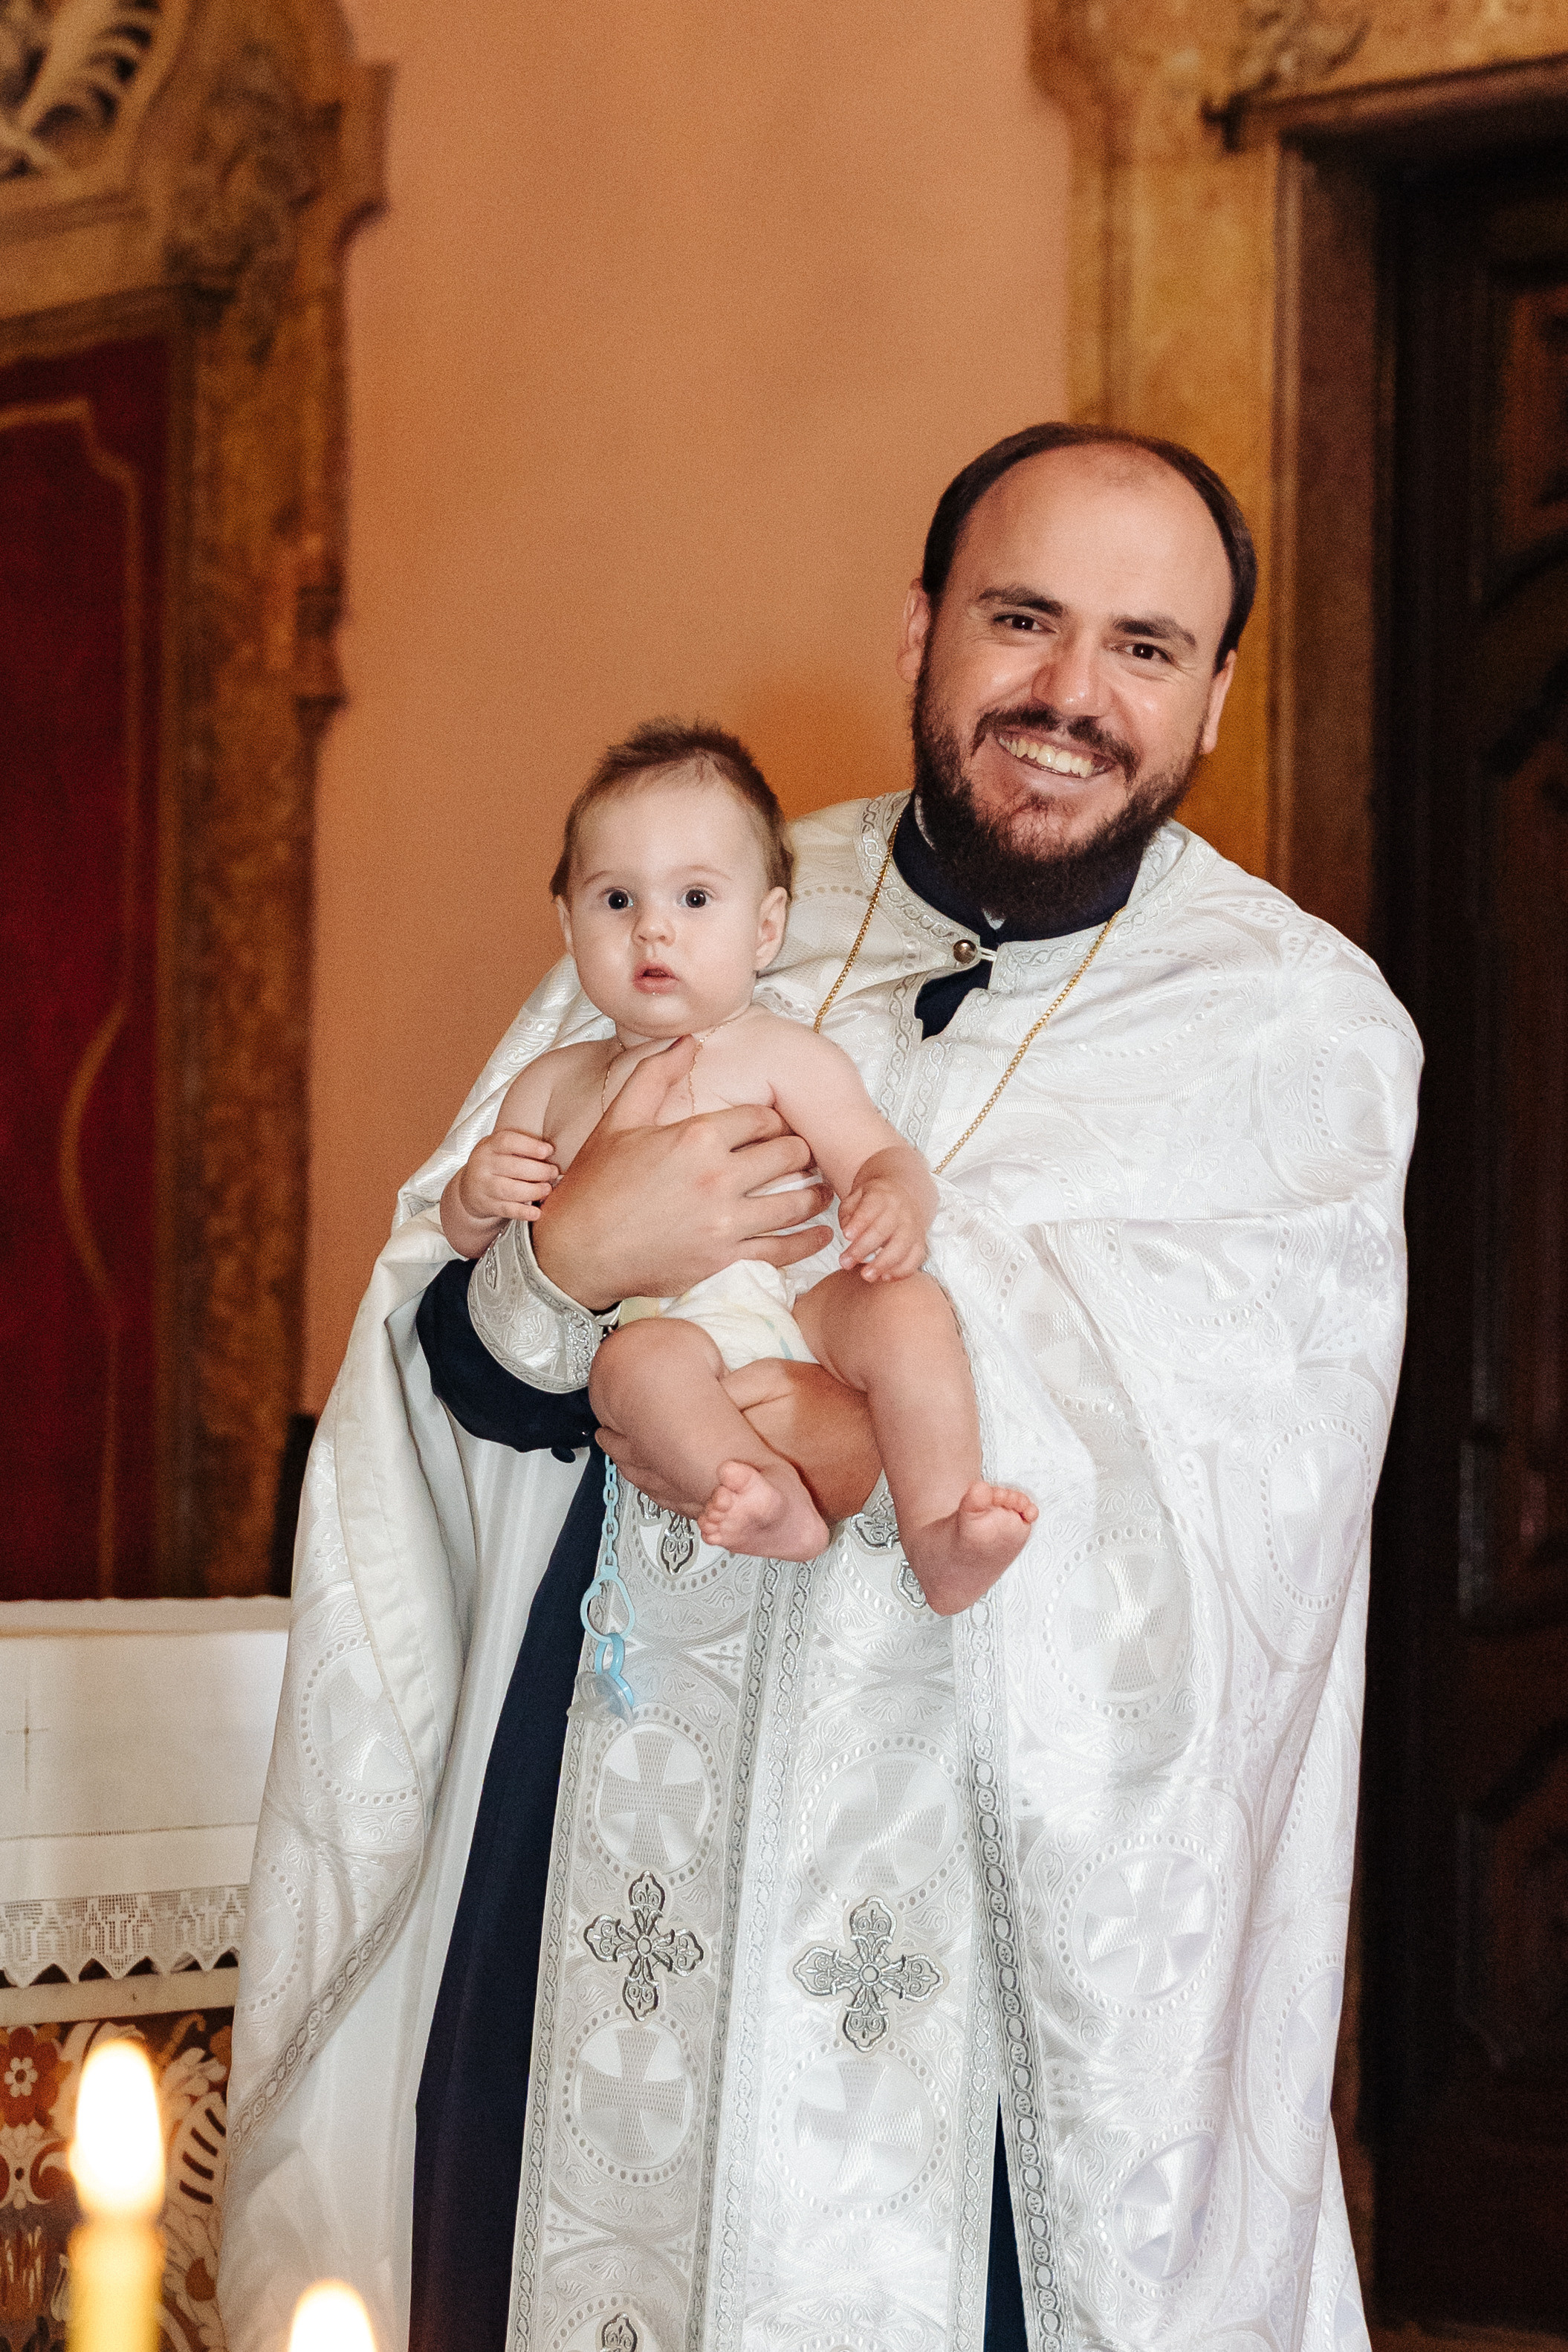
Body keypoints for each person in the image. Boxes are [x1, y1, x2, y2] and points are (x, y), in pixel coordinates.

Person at [219, 422, 1420, 2352]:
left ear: (1212, 692)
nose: (1068, 693)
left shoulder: (1292, 1027)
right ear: (919, 629)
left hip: (990, 1973)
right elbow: (438, 1382)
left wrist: (889, 1396)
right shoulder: (700, 892)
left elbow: (1255, 1519)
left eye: (1141, 646)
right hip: (595, 1864)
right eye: (1020, 620)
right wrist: (567, 1259)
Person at [440, 720, 1036, 1592]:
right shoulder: (552, 1084)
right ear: (567, 925)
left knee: (906, 1311)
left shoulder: (782, 1054)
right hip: (669, 1332)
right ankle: (763, 1496)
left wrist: (891, 1198)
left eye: (693, 899)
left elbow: (879, 1156)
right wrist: (475, 1193)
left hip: (802, 1309)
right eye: (617, 901)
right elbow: (476, 1247)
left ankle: (939, 1528)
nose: (653, 931)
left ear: (765, 929)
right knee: (628, 1371)